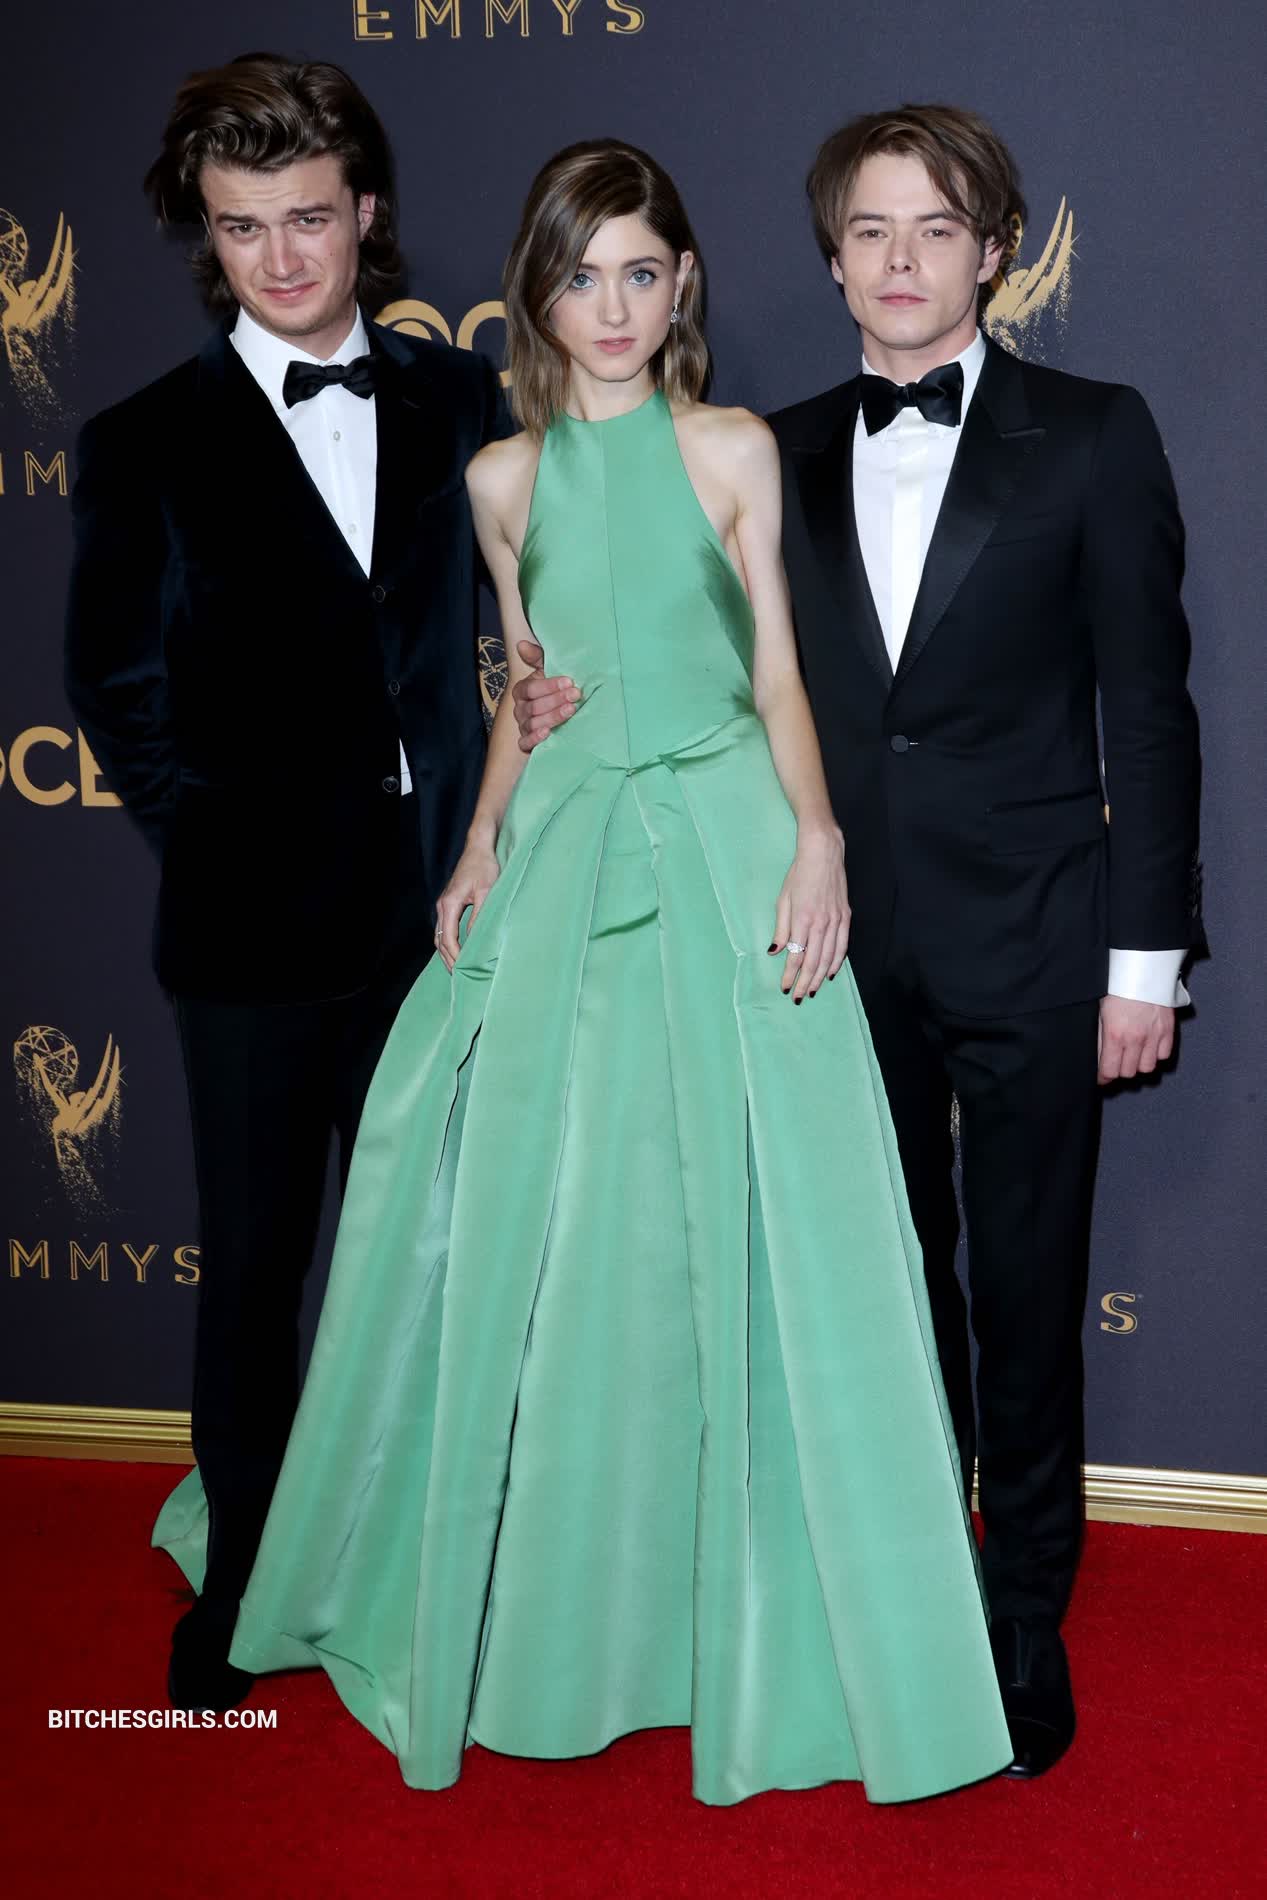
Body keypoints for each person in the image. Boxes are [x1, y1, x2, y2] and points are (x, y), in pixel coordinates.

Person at [151, 138, 1011, 1806]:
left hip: (728, 843)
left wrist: (816, 839)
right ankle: (544, 1589)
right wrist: (481, 838)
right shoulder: (501, 480)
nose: (609, 306)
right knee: (562, 1231)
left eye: (638, 272)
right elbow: (524, 688)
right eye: (576, 276)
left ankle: (762, 1607)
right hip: (564, 857)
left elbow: (776, 671)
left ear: (682, 284)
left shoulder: (733, 447)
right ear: (535, 296)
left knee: (749, 1228)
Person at [513, 105, 1202, 1778]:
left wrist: (1143, 963)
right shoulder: (764, 447)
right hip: (815, 944)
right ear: (831, 260)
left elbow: (1149, 711)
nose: (903, 261)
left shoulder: (1095, 434)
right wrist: (536, 711)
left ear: (995, 252)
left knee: (1023, 1293)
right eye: (873, 231)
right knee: (874, 1293)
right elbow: (693, 671)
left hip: (1037, 939)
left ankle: (1020, 1616)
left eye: (938, 229)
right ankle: (907, 1598)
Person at [64, 52, 507, 1713]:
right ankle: (244, 1585)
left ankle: (432, 1571)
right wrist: (228, 837)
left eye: (308, 218)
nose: (280, 258)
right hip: (248, 935)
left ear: (366, 213)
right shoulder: (141, 440)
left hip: (443, 919)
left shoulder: (463, 401)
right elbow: (116, 689)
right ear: (209, 234)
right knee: (255, 1277)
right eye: (243, 228)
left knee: (441, 1262)